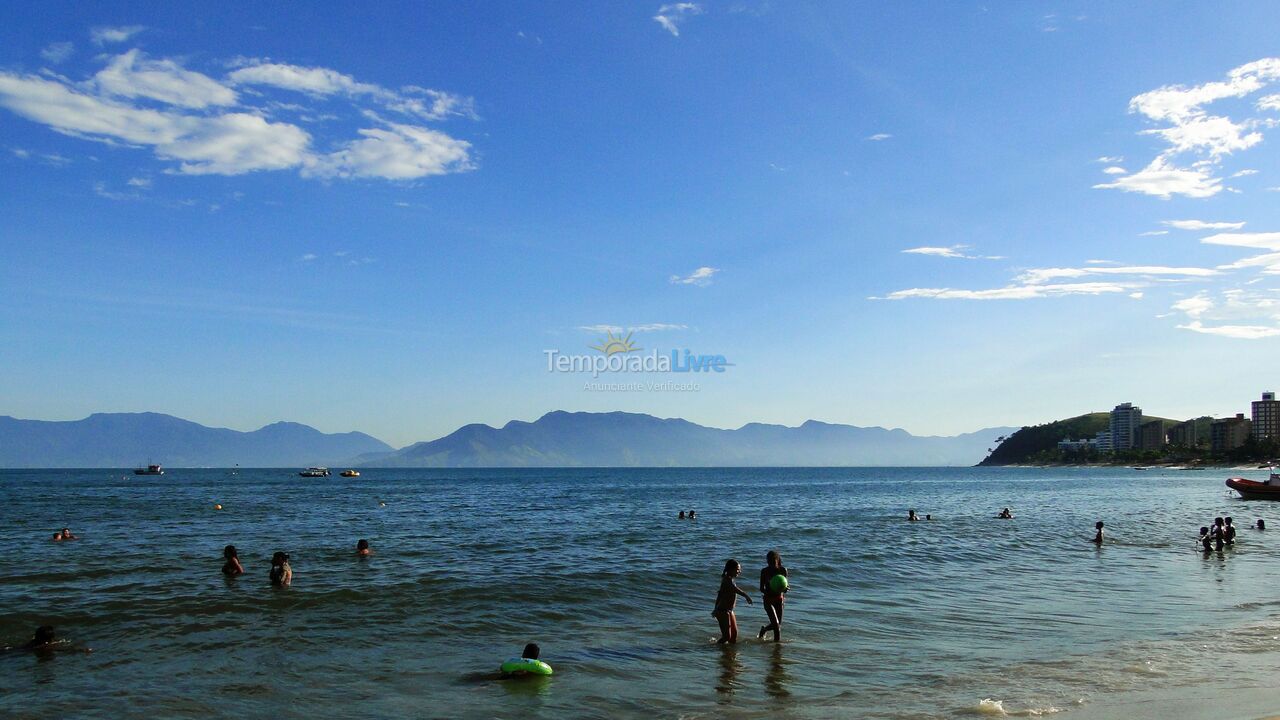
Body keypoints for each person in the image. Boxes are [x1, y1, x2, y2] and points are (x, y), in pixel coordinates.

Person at [712, 559, 752, 644]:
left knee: (734, 635)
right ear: (730, 569)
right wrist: (746, 596)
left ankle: (730, 654)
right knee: (726, 637)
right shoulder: (727, 580)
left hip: (729, 611)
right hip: (722, 611)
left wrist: (715, 607)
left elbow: (720, 595)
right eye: (737, 569)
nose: (739, 571)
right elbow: (736, 590)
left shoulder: (730, 580)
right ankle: (713, 648)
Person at [757, 550, 788, 642]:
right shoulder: (764, 571)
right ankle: (777, 650)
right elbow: (761, 588)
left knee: (778, 625)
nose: (771, 564)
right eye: (769, 562)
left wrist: (785, 589)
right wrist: (771, 586)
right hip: (768, 600)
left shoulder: (783, 570)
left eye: (773, 562)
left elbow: (785, 586)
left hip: (779, 599)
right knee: (776, 626)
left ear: (778, 560)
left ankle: (764, 629)